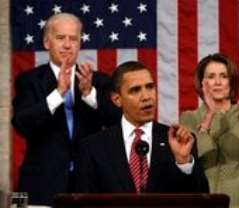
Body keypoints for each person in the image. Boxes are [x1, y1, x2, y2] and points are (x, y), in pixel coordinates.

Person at [11, 13, 121, 205]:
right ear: (47, 43)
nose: (68, 45)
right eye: (61, 38)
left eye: (74, 39)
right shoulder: (29, 81)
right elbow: (22, 124)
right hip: (42, 184)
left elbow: (117, 121)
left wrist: (89, 95)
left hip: (89, 184)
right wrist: (58, 94)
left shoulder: (99, 81)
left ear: (80, 43)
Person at [76, 61, 209, 193]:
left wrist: (184, 163)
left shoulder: (179, 141)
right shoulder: (93, 148)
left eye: (150, 87)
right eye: (135, 90)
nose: (146, 96)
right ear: (117, 99)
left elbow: (200, 199)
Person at [180, 53, 239, 208]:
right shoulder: (189, 118)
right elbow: (194, 156)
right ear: (201, 83)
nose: (218, 82)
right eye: (211, 77)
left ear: (231, 83)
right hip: (203, 200)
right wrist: (209, 115)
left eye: (224, 76)